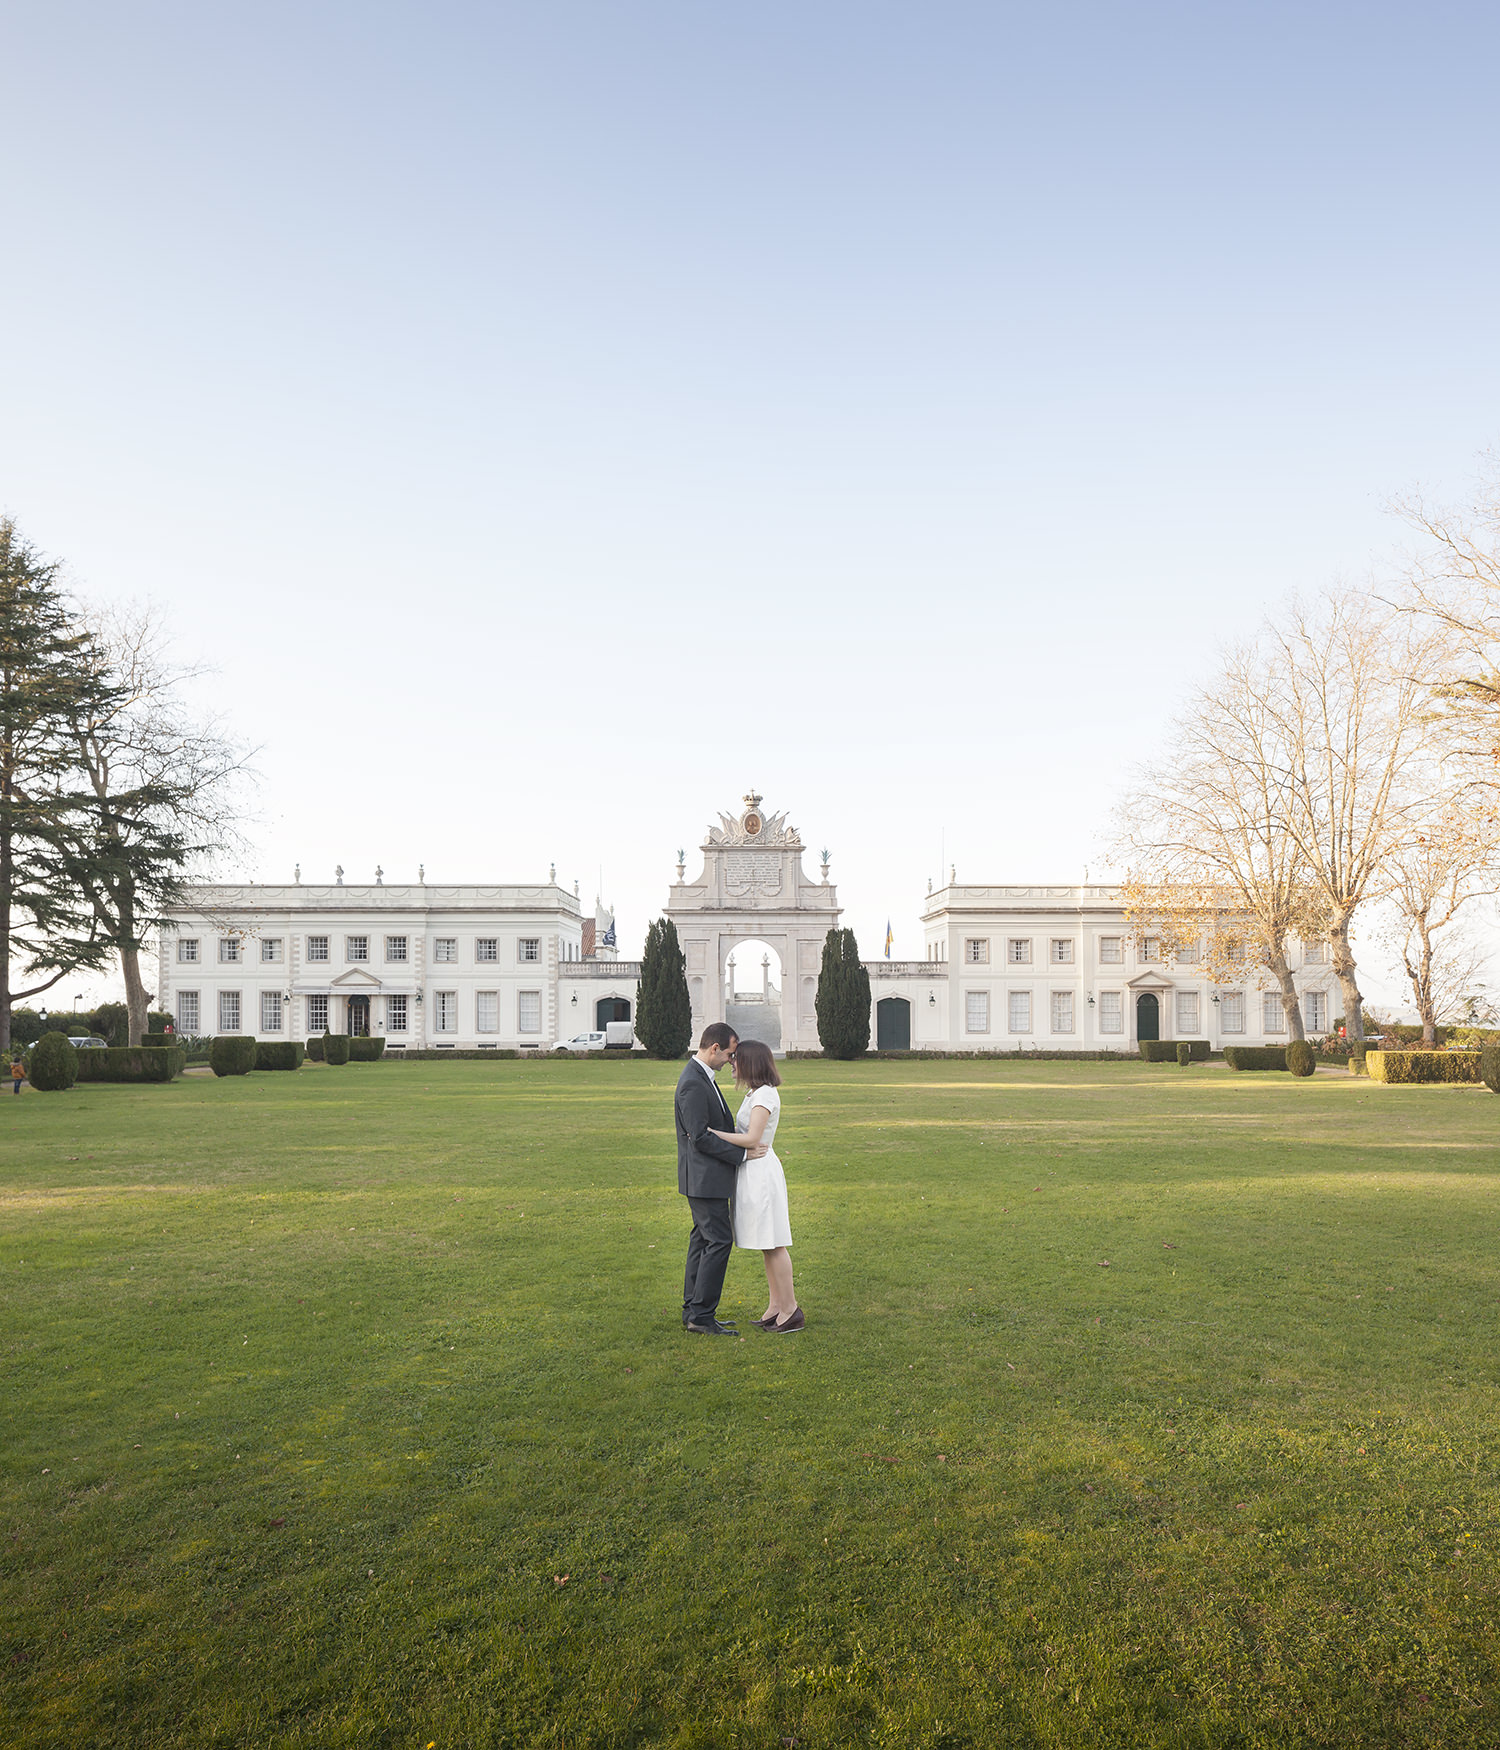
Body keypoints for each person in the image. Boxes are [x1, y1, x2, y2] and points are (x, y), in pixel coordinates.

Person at [675, 1023, 765, 1335]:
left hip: (705, 1178)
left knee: (702, 1240)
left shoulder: (701, 1078)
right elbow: (699, 1137)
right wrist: (741, 1156)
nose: (731, 1060)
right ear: (714, 1049)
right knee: (719, 1240)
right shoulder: (694, 1083)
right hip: (704, 1178)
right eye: (728, 1054)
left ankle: (693, 1310)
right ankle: (701, 1316)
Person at [708, 1038, 802, 1333]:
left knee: (774, 1243)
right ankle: (775, 1306)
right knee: (766, 1244)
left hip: (761, 1173)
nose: (732, 1063)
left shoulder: (764, 1095)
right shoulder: (754, 1093)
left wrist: (712, 1134)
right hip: (752, 1170)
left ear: (750, 1063)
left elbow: (752, 1139)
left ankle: (790, 1309)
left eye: (736, 1059)